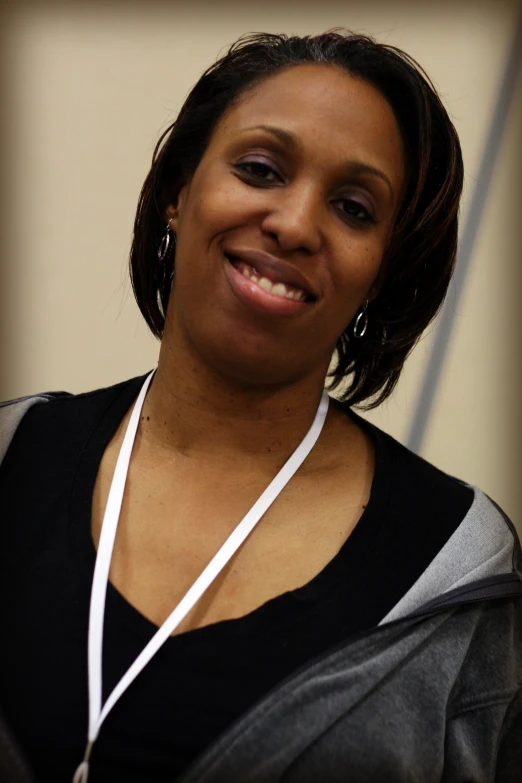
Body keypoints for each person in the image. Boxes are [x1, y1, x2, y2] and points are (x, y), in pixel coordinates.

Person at [0, 30, 520, 783]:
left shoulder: (459, 571)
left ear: (380, 273)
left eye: (353, 207)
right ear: (179, 193)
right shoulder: (16, 453)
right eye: (259, 169)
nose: (296, 223)